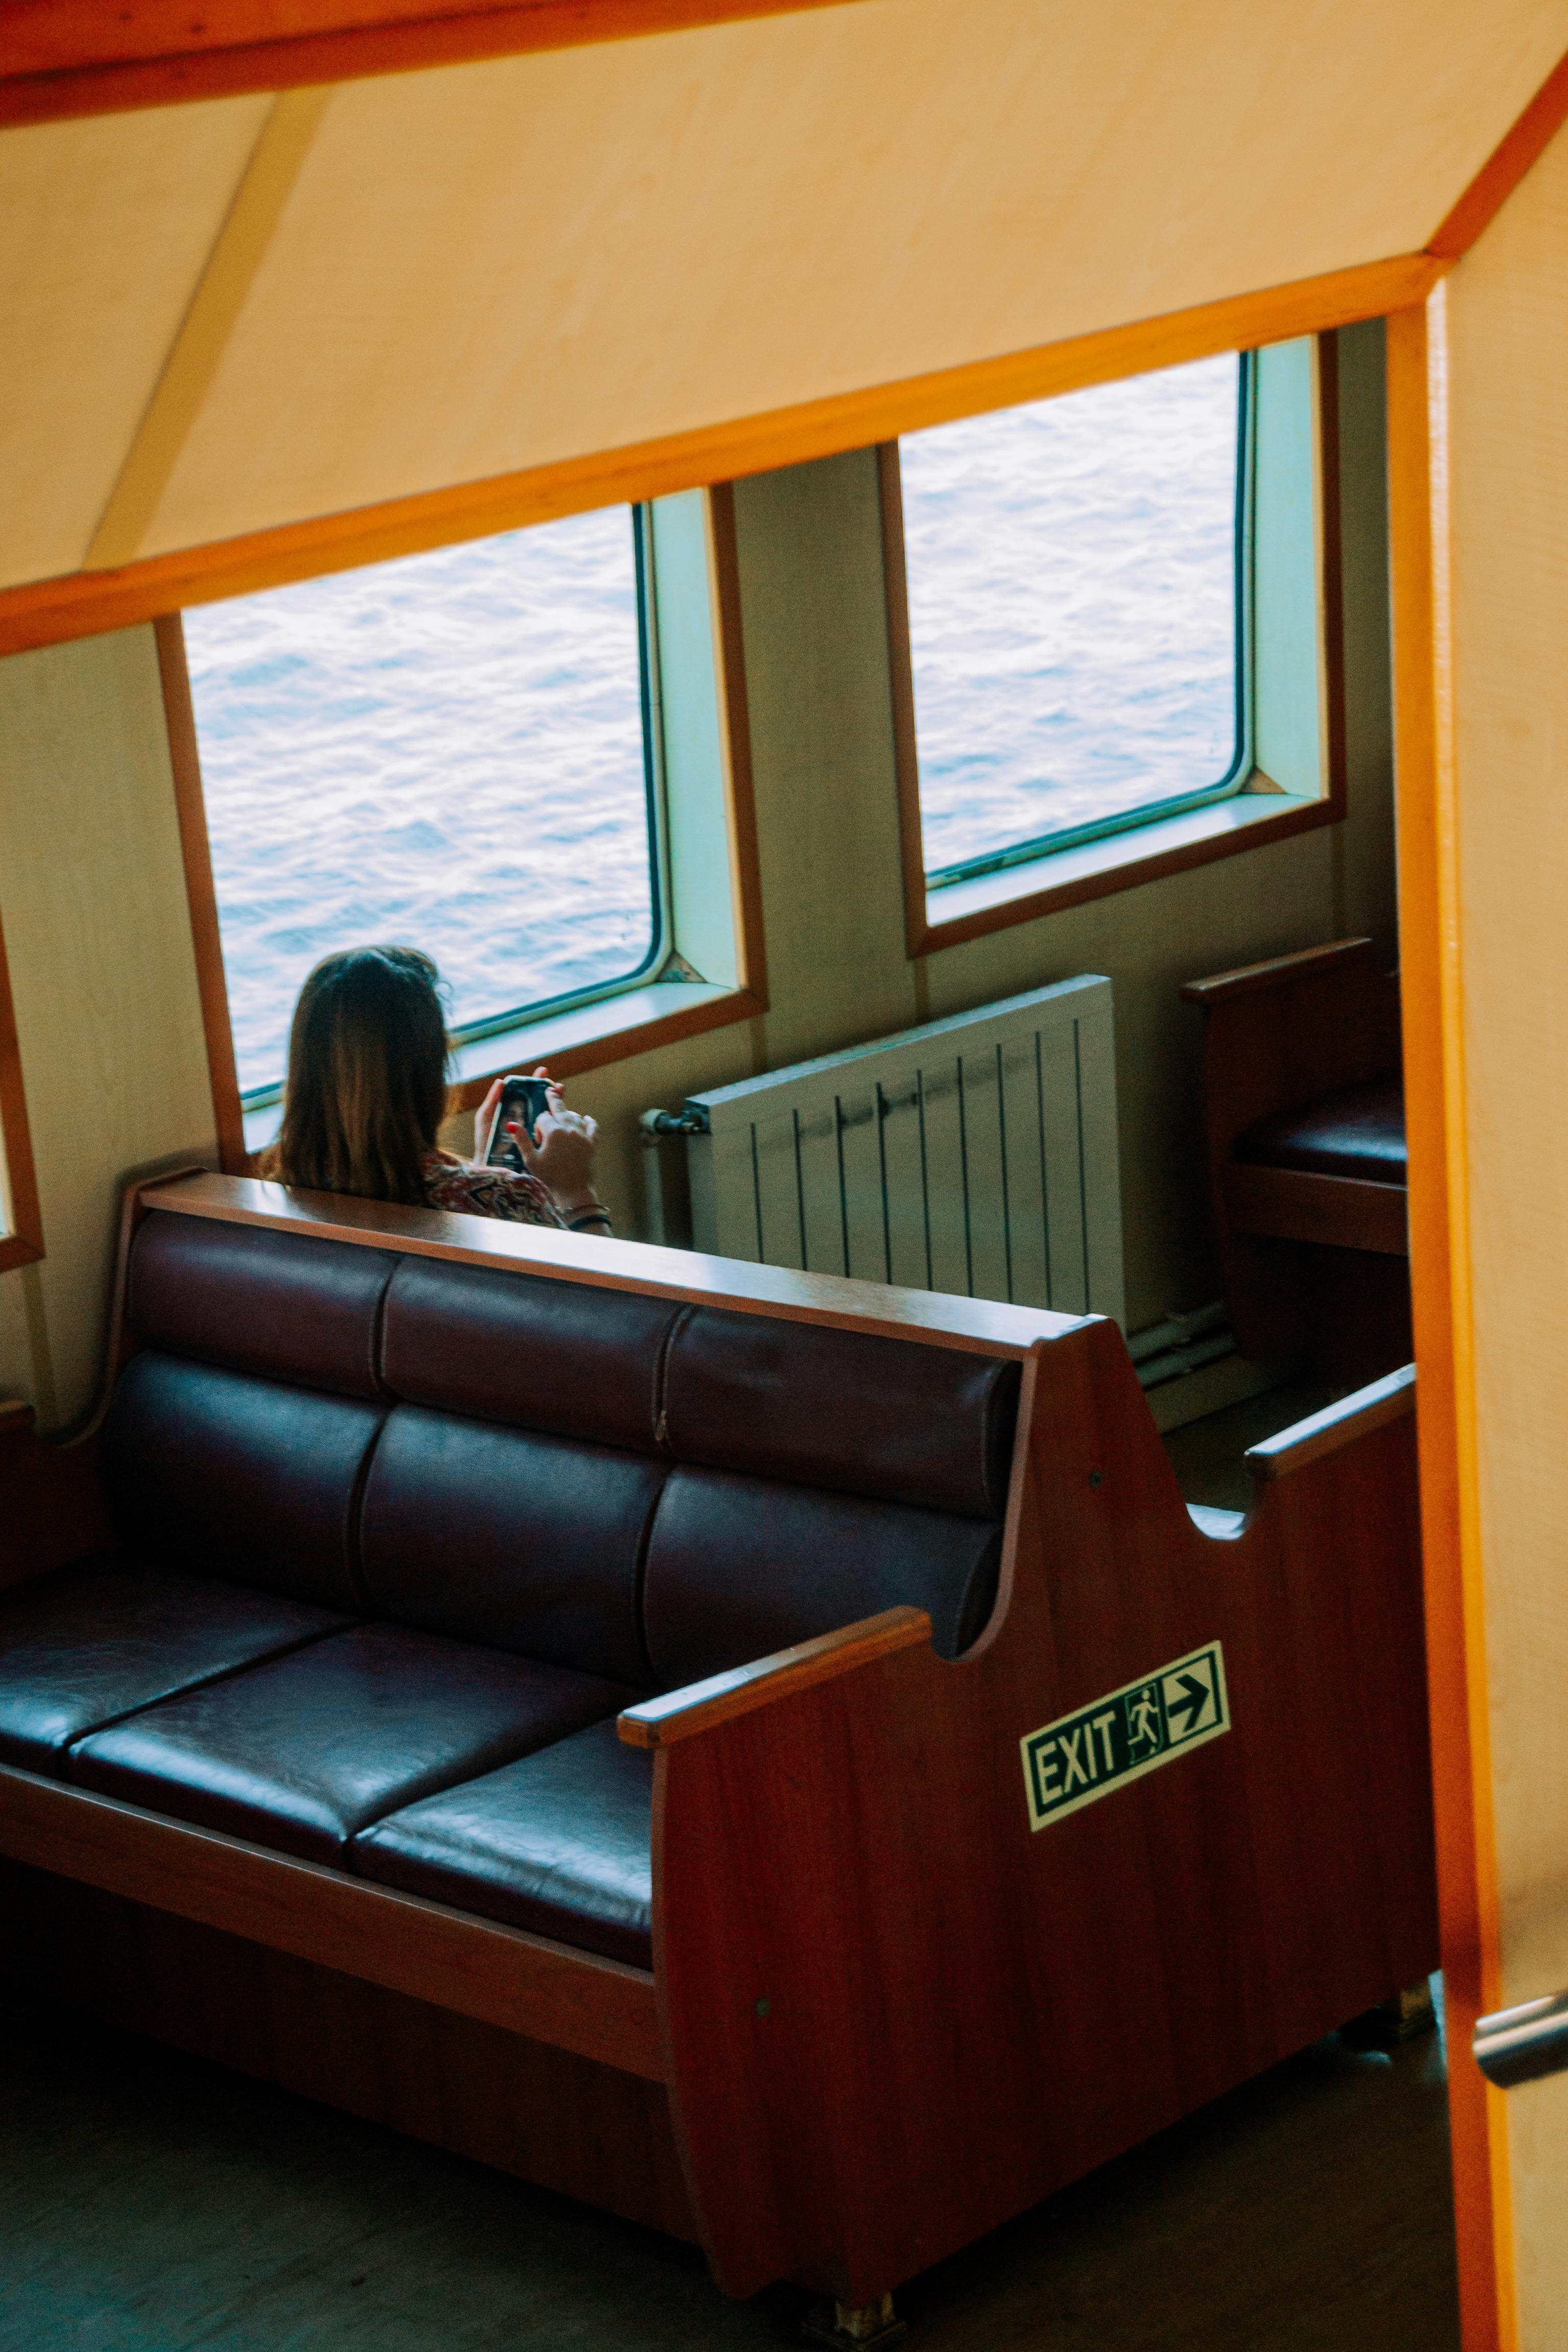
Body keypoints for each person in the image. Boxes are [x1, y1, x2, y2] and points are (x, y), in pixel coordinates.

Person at [259, 944, 611, 1235]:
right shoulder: (512, 1198)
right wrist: (573, 1189)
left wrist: (485, 1168)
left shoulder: (269, 1200)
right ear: (430, 1071)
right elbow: (614, 1311)